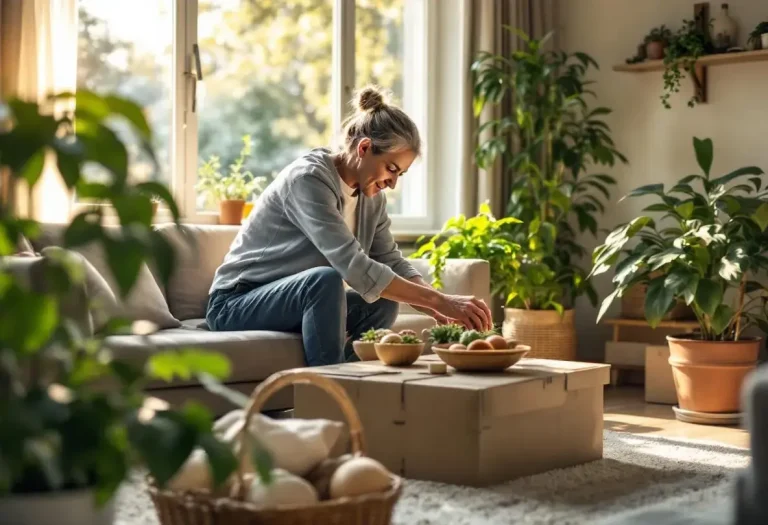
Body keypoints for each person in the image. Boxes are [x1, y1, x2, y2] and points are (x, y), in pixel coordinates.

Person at [206, 85, 492, 366]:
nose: (392, 183)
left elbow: (390, 261)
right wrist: (440, 302)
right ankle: (329, 391)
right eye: (391, 168)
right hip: (236, 303)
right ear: (364, 148)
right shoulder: (308, 179)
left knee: (382, 302)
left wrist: (439, 304)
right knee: (324, 280)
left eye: (400, 174)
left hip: (292, 302)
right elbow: (353, 266)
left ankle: (351, 381)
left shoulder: (371, 196)